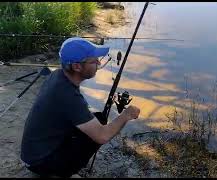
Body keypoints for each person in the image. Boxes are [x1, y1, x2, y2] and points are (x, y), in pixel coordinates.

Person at [20, 37, 140, 177]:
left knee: (98, 118)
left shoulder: (57, 75)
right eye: (94, 60)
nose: (99, 62)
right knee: (100, 127)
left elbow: (69, 109)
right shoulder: (69, 97)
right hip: (40, 163)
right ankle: (60, 172)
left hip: (32, 153)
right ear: (77, 67)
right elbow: (102, 136)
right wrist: (126, 115)